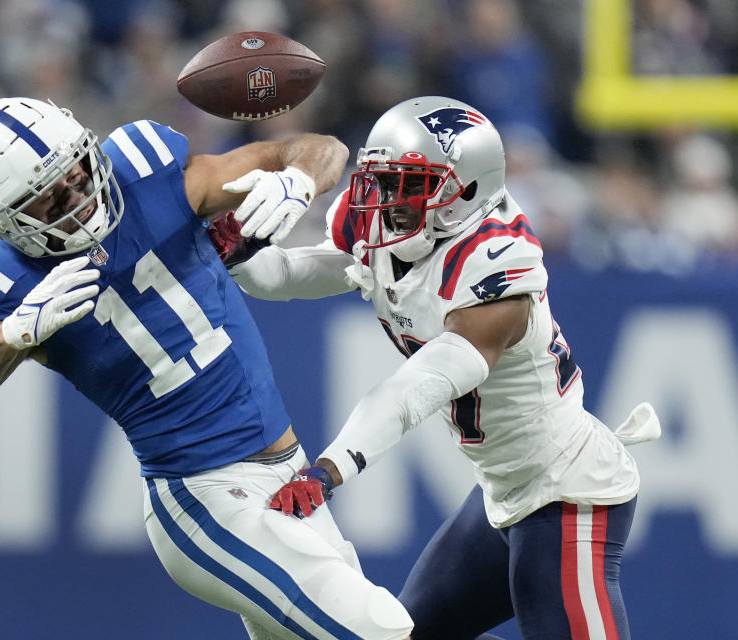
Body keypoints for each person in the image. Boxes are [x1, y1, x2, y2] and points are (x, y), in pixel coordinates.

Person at [0, 96, 414, 640]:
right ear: (8, 224)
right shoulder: (10, 284)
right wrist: (13, 335)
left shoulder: (150, 176)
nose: (78, 197)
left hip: (289, 473)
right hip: (201, 495)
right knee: (380, 629)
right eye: (49, 199)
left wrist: (295, 180)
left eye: (77, 172)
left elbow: (320, 149)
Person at [216, 96, 660, 640]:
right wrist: (238, 253)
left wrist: (330, 470)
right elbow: (288, 275)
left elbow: (414, 388)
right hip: (500, 491)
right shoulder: (391, 229)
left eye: (409, 184)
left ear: (466, 189)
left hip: (569, 492)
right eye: (382, 180)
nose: (387, 201)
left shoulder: (498, 264)